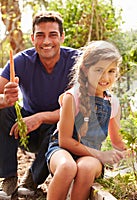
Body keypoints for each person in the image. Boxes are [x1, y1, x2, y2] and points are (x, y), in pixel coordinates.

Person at [0, 11, 80, 198]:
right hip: (25, 130)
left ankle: (33, 179)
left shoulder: (77, 61)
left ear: (62, 37)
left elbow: (82, 106)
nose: (46, 41)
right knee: (3, 110)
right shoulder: (21, 61)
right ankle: (8, 178)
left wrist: (41, 117)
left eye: (52, 34)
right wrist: (5, 99)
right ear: (32, 38)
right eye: (40, 35)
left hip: (58, 130)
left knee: (68, 121)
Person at [45, 40, 127, 200]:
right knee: (67, 167)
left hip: (91, 156)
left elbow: (118, 143)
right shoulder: (72, 97)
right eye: (99, 70)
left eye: (111, 71)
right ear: (85, 69)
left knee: (87, 167)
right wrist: (101, 155)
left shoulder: (112, 103)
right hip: (62, 151)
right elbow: (65, 141)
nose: (105, 77)